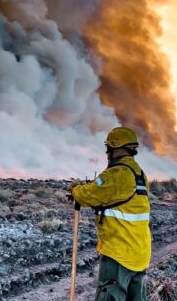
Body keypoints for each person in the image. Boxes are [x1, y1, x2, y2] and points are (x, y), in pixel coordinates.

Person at [70, 126, 151, 301]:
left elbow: (88, 194)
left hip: (119, 252)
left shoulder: (116, 174)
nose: (107, 154)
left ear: (117, 148)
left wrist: (75, 190)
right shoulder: (139, 175)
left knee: (110, 295)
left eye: (109, 149)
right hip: (140, 251)